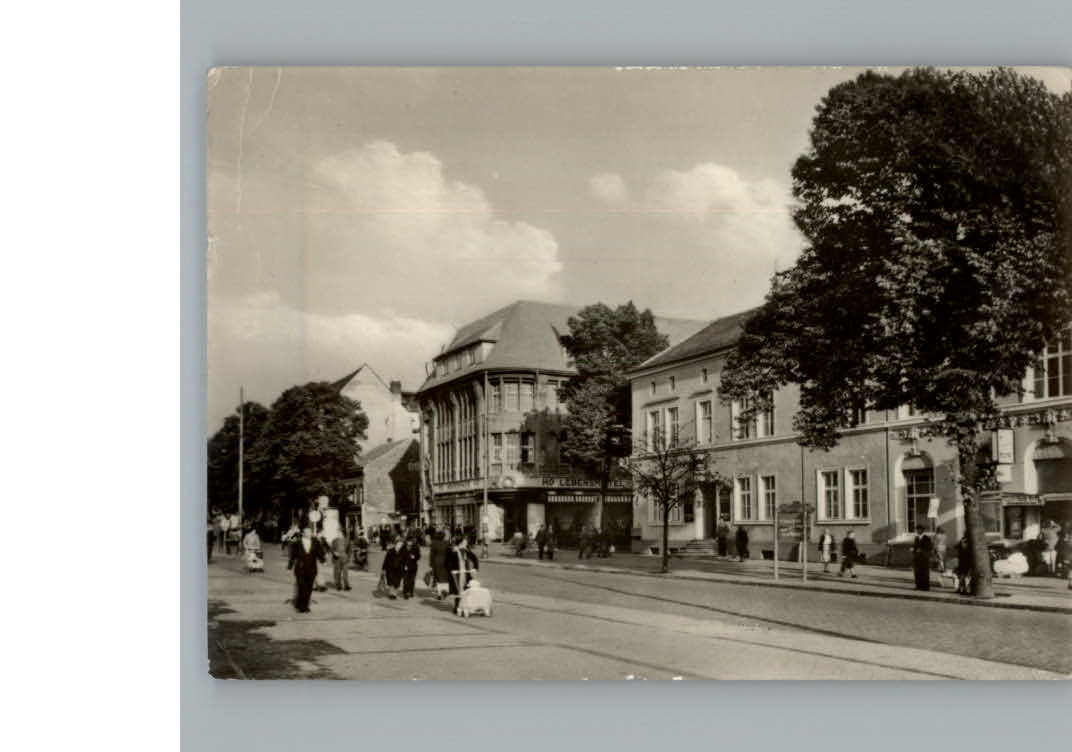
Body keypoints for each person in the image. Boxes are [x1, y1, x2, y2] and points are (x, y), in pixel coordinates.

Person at [287, 527, 327, 613]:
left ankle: (304, 604)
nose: (308, 534)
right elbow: (292, 556)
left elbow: (320, 553)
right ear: (303, 533)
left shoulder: (316, 542)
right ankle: (303, 607)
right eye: (306, 532)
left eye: (309, 532)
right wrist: (289, 566)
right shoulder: (297, 543)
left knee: (309, 588)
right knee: (302, 587)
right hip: (300, 568)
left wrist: (323, 561)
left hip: (312, 568)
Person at [444, 534, 480, 615]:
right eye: (464, 541)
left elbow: (474, 558)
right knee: (458, 590)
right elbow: (446, 563)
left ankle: (465, 606)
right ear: (460, 543)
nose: (466, 543)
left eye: (466, 542)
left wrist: (475, 568)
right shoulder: (452, 551)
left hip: (465, 573)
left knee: (466, 590)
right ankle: (457, 607)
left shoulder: (466, 551)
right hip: (456, 573)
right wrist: (451, 570)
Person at [428, 529, 451, 599]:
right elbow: (450, 553)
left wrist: (431, 564)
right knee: (445, 577)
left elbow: (432, 555)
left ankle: (439, 593)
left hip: (437, 561)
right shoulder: (447, 543)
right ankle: (446, 591)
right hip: (445, 561)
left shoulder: (433, 543)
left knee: (438, 578)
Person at [912, 525, 933, 591]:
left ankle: (926, 587)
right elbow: (915, 547)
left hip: (924, 558)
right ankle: (918, 586)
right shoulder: (916, 538)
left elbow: (929, 547)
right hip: (917, 558)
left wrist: (922, 551)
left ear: (922, 530)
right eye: (917, 530)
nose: (918, 531)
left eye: (919, 530)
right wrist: (914, 550)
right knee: (917, 572)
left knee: (925, 572)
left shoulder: (927, 538)